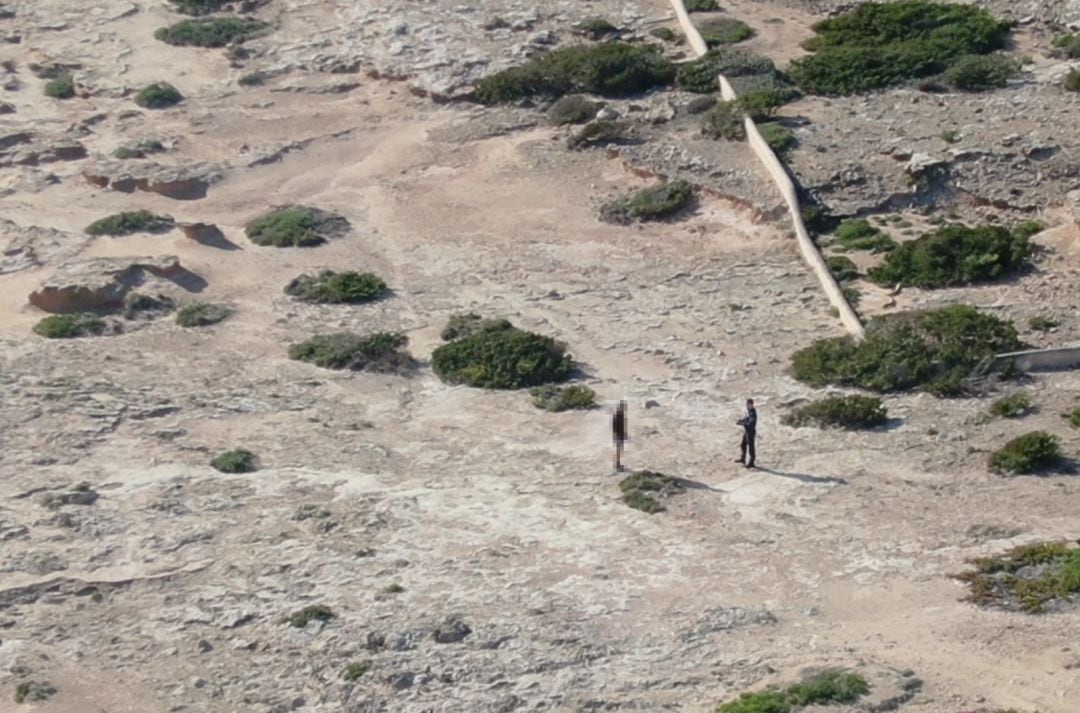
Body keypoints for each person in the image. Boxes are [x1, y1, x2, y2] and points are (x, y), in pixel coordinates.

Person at [735, 398, 757, 468]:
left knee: (751, 448)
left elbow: (751, 423)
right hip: (747, 431)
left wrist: (742, 423)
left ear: (751, 404)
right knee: (743, 445)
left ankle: (751, 462)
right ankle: (743, 459)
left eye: (747, 404)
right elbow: (746, 418)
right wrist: (741, 420)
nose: (746, 405)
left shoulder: (753, 413)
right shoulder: (749, 411)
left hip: (751, 432)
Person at [612, 401, 628, 472]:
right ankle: (617, 465)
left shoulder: (620, 414)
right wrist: (617, 435)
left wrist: (624, 434)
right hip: (618, 435)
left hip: (619, 434)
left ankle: (618, 464)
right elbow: (615, 426)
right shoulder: (619, 415)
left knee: (619, 450)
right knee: (618, 450)